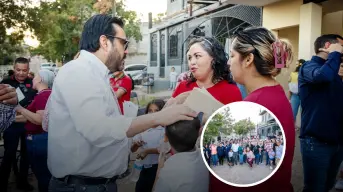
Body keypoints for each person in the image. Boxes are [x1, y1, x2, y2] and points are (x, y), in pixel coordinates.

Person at [47, 14, 196, 192]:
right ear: (105, 42)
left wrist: (168, 105)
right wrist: (159, 117)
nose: (126, 50)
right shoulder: (80, 72)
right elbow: (99, 129)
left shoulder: (93, 74)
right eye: (123, 43)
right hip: (83, 187)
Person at [220, 26, 295, 192]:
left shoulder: (254, 105)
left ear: (248, 59)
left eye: (232, 56)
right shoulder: (274, 91)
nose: (228, 62)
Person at [298, 34, 343, 192]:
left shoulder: (334, 70)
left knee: (327, 186)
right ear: (328, 45)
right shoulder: (309, 67)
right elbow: (322, 76)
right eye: (341, 47)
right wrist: (335, 54)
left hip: (336, 142)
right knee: (314, 188)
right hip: (316, 143)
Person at [15, 69, 55, 192]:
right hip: (39, 139)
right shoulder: (45, 94)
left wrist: (20, 108)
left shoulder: (44, 95)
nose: (32, 79)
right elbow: (30, 117)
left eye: (35, 77)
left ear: (40, 79)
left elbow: (39, 120)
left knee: (43, 175)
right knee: (42, 174)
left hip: (39, 140)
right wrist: (10, 117)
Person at [0, 57, 37, 192]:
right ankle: (3, 183)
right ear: (14, 68)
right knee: (9, 154)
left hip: (27, 124)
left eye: (24, 70)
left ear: (28, 70)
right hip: (11, 125)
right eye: (18, 70)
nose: (21, 73)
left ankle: (22, 182)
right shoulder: (5, 82)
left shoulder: (32, 83)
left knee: (26, 155)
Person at [172, 36, 242, 104]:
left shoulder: (231, 91)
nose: (192, 62)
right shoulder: (182, 87)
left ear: (214, 59)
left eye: (197, 56)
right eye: (189, 58)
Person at [153, 114, 209, 192]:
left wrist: (159, 169)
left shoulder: (167, 171)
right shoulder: (205, 158)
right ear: (200, 132)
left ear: (165, 137)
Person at [131, 99, 165, 192]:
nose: (153, 114)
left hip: (156, 168)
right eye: (150, 111)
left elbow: (163, 150)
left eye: (156, 111)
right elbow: (133, 150)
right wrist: (136, 144)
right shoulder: (142, 128)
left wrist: (147, 151)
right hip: (142, 167)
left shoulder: (163, 131)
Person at [288, 59, 305, 125]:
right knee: (303, 115)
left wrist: (289, 99)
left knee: (292, 115)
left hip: (295, 96)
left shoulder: (292, 74)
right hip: (302, 96)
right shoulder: (305, 74)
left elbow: (290, 87)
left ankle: (292, 129)